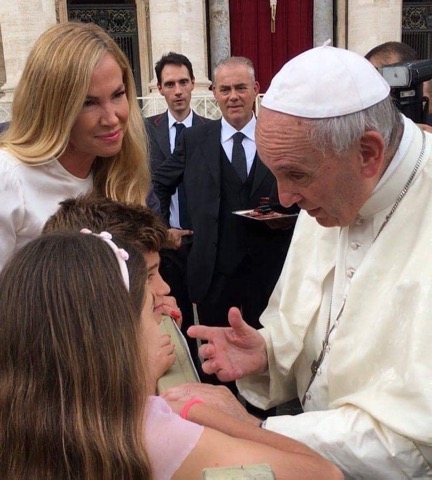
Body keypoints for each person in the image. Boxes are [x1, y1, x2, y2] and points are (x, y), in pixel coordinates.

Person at [164, 44, 432, 478]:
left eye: (296, 175)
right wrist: (268, 352)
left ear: (368, 153)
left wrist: (257, 430)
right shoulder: (329, 186)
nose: (284, 198)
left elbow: (415, 444)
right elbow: (320, 322)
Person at [0, 231, 342, 479]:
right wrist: (224, 416)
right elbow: (322, 473)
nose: (163, 295)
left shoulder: (22, 428)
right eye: (149, 309)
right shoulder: (152, 433)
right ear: (117, 337)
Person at [153, 56, 297, 335]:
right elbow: (158, 183)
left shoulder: (279, 137)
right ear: (214, 93)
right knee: (216, 357)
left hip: (271, 272)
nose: (233, 97)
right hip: (213, 274)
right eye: (225, 89)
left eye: (241, 88)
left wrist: (290, 215)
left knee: (269, 354)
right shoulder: (194, 140)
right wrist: (161, 229)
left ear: (256, 89)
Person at [0, 21, 155, 270]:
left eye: (118, 94)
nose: (112, 118)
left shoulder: (120, 174)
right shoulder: (8, 177)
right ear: (51, 107)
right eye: (88, 103)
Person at [146, 52, 211, 363]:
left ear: (194, 84)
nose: (178, 91)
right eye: (170, 84)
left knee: (211, 317)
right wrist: (161, 233)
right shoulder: (145, 131)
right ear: (159, 89)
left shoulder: (213, 131)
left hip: (204, 241)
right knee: (175, 316)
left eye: (183, 82)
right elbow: (142, 187)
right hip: (165, 245)